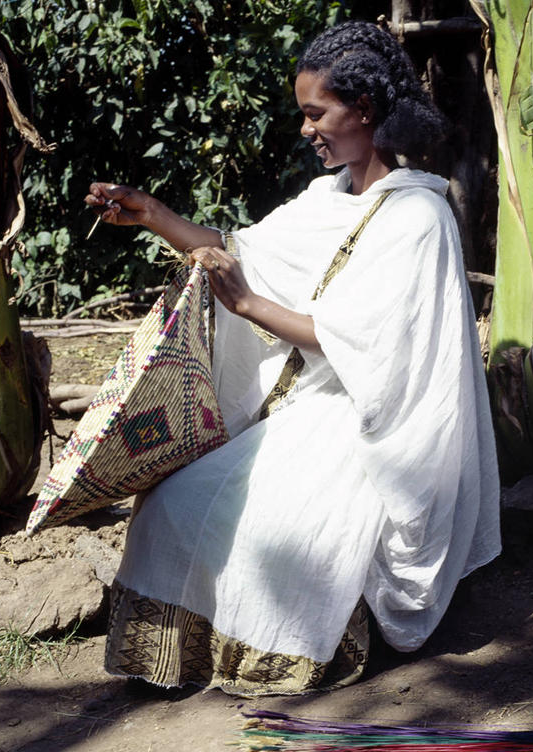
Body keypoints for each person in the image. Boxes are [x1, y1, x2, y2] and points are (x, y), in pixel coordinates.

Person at [85, 20, 500, 696]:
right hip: (309, 406)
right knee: (169, 505)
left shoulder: (418, 218)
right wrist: (151, 213)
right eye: (304, 114)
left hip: (372, 423)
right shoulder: (325, 200)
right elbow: (241, 250)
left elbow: (364, 346)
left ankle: (310, 644)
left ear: (363, 110)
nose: (307, 129)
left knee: (285, 535)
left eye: (316, 113)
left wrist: (248, 304)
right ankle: (185, 654)